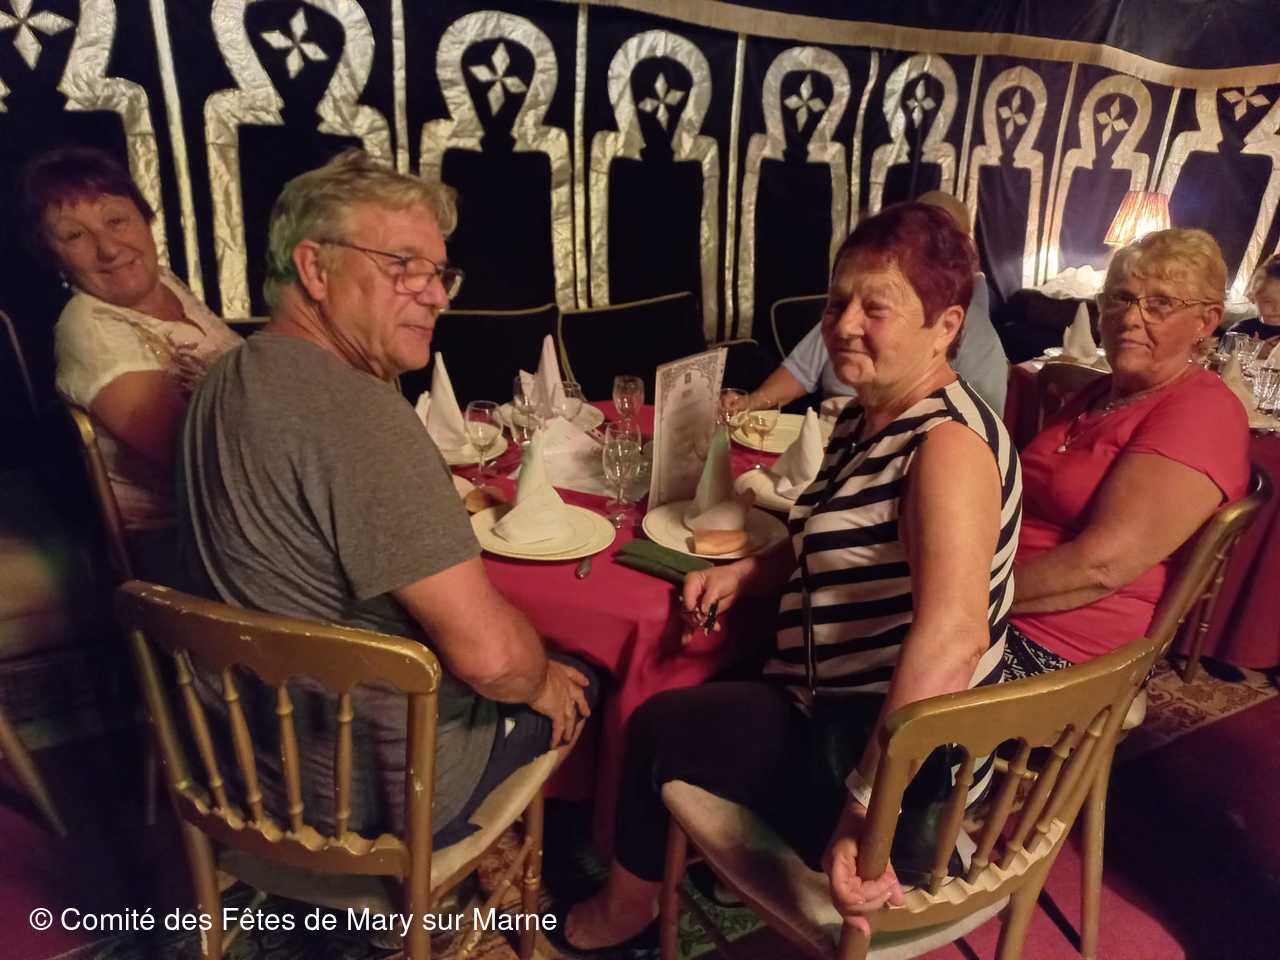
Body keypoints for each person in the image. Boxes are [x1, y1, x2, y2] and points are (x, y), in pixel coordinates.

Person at [556, 202, 1023, 954]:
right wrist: (748, 574)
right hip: (834, 705)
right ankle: (690, 865)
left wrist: (866, 809)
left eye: (876, 307)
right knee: (712, 680)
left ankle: (628, 908)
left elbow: (954, 638)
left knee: (656, 724)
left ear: (946, 326)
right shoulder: (867, 417)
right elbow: (834, 541)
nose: (844, 325)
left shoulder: (946, 447)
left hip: (887, 756)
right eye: (838, 303)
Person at [176, 149, 595, 843]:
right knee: (581, 675)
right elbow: (493, 662)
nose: (438, 297)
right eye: (404, 266)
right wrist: (545, 678)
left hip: (242, 767)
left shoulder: (226, 374)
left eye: (440, 274)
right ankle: (513, 875)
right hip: (367, 798)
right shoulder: (359, 412)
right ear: (315, 270)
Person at [1003, 228, 1250, 678]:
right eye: (1121, 297)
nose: (1131, 318)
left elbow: (1101, 567)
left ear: (1206, 322)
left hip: (1062, 645)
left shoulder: (1201, 413)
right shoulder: (1104, 391)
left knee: (874, 659)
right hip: (1003, 596)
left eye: (1160, 303)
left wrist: (967, 596)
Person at [19, 146, 241, 573]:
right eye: (75, 236)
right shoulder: (90, 329)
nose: (108, 248)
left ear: (145, 218)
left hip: (241, 509)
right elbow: (197, 459)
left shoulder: (166, 284)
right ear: (53, 258)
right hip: (183, 539)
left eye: (116, 221)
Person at [740, 190, 1010, 416]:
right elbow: (801, 370)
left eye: (876, 308)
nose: (845, 326)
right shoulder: (863, 422)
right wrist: (749, 404)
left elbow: (982, 422)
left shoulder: (945, 439)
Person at [1227, 253, 1280, 341]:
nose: (1277, 308)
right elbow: (1225, 348)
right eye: (1268, 301)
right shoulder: (1241, 331)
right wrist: (1253, 348)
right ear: (1254, 297)